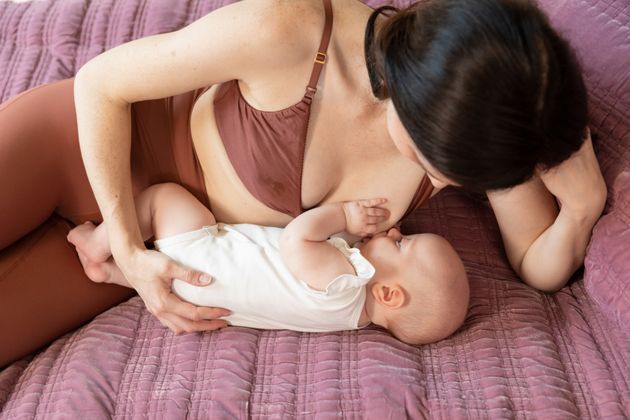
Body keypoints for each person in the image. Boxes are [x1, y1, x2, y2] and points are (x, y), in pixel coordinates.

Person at [0, 0, 605, 366]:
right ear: (420, 113)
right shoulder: (289, 28)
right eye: (446, 168)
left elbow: (535, 263)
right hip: (80, 148)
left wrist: (583, 206)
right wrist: (127, 247)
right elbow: (100, 85)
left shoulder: (485, 120)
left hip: (164, 248)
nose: (447, 183)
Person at [66, 182, 469, 345]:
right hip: (201, 294)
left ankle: (98, 244)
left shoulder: (343, 279)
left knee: (162, 198)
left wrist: (344, 215)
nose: (397, 233)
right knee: (174, 271)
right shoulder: (349, 314)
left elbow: (298, 239)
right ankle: (112, 274)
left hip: (202, 258)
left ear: (389, 294)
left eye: (402, 245)